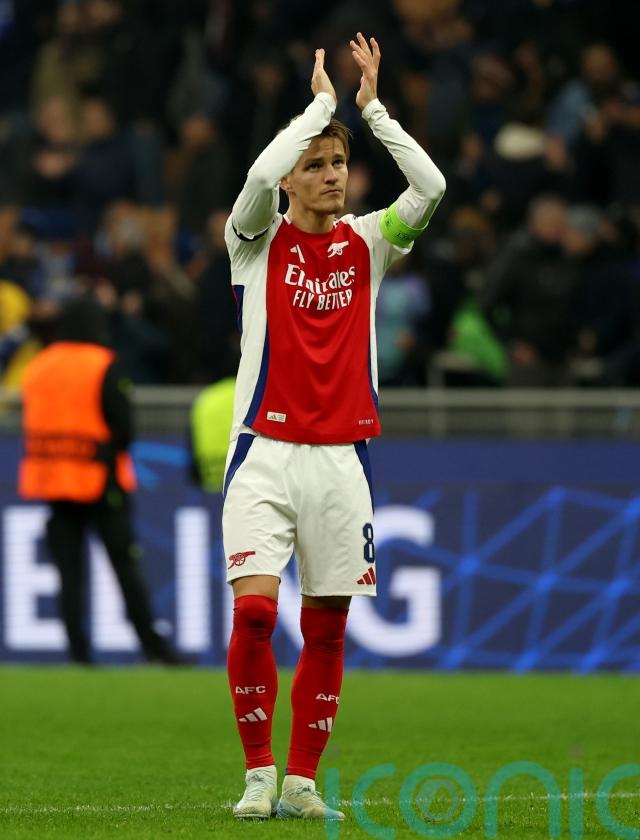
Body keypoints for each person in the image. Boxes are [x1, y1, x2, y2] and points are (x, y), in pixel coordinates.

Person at [222, 34, 445, 820]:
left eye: (339, 163)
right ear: (292, 176)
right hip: (263, 451)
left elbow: (431, 186)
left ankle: (301, 781)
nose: (331, 175)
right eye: (315, 164)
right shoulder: (254, 242)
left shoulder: (370, 243)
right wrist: (318, 107)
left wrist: (372, 111)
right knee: (255, 611)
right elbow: (256, 179)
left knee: (327, 626)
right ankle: (257, 773)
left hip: (344, 458)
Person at [18, 297, 181, 666]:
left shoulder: (39, 366)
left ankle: (79, 655)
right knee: (125, 568)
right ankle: (154, 649)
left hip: (55, 483)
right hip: (101, 482)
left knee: (69, 574)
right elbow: (125, 428)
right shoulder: (102, 363)